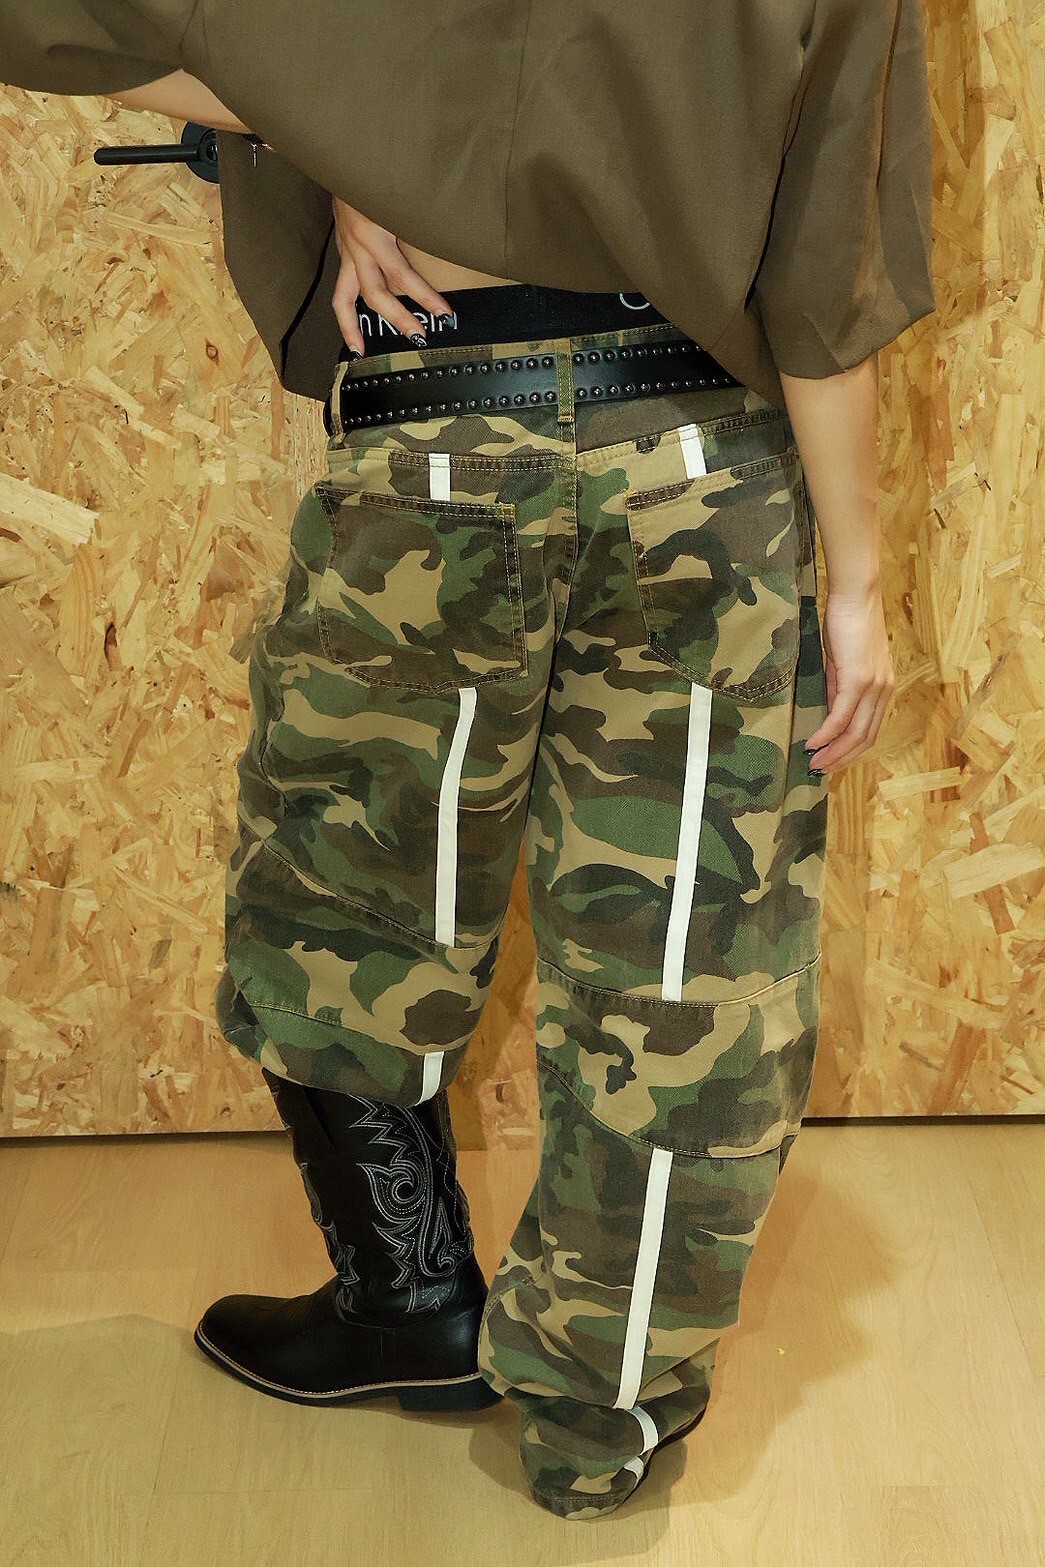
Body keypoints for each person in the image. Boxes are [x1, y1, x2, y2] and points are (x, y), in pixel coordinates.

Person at [1, 0, 937, 1520]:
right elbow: (827, 262)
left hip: (441, 433)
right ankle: (604, 1416)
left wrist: (333, 131)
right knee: (687, 969)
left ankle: (409, 1296)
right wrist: (855, 580)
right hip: (701, 463)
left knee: (346, 903)